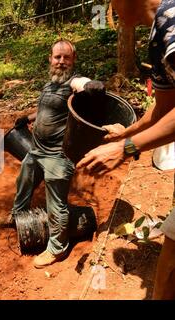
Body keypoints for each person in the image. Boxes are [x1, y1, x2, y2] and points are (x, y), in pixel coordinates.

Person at [77, 0, 175, 300]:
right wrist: (127, 132)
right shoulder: (158, 34)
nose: (109, 10)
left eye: (111, 2)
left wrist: (127, 148)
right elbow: (165, 108)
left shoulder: (172, 24)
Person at [0, 39, 106, 268]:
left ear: (73, 60)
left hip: (58, 155)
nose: (61, 61)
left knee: (56, 205)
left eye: (66, 57)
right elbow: (44, 109)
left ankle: (58, 247)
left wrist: (91, 85)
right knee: (23, 182)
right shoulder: (50, 85)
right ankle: (18, 216)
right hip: (36, 150)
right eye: (57, 57)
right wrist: (28, 118)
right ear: (50, 59)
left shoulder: (72, 84)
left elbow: (81, 83)